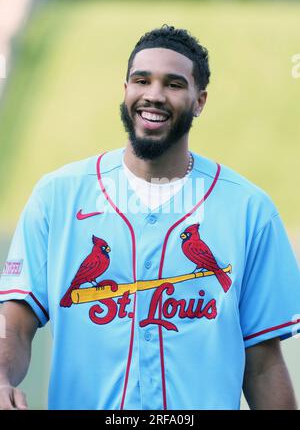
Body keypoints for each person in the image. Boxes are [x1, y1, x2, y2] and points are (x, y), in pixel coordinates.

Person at [0, 25, 299, 411]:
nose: (154, 95)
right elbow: (16, 321)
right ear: (125, 89)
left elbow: (262, 365)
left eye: (174, 84)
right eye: (142, 80)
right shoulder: (57, 196)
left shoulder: (248, 209)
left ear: (200, 100)